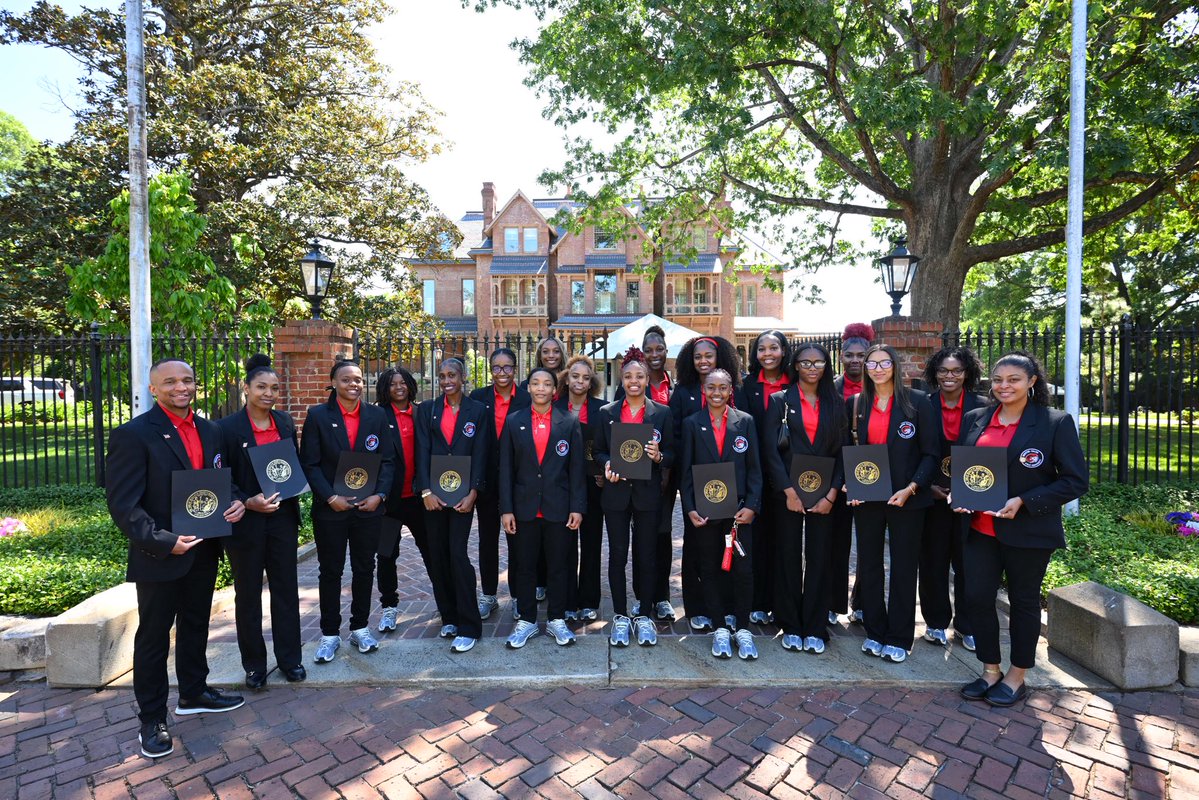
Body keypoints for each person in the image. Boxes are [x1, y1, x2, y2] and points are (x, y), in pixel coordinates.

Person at [105, 358, 246, 759]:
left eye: (187, 380)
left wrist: (234, 503)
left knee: (196, 624)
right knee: (153, 638)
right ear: (153, 389)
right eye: (170, 382)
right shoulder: (134, 435)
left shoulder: (211, 430)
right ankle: (152, 719)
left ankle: (194, 691)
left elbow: (224, 480)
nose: (180, 387)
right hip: (162, 554)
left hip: (204, 549)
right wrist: (166, 541)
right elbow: (124, 505)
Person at [953, 352, 1087, 707]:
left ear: (1032, 382)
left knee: (1023, 602)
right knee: (977, 598)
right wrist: (960, 491)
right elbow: (968, 469)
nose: (1003, 386)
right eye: (998, 379)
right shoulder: (976, 418)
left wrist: (1025, 501)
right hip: (980, 528)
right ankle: (990, 670)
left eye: (1013, 379)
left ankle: (1017, 675)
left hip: (1027, 531)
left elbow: (1075, 481)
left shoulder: (1053, 423)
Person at [217, 355, 305, 690]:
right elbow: (219, 473)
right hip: (246, 523)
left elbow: (289, 467)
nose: (268, 393)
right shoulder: (226, 428)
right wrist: (245, 500)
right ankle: (254, 665)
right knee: (248, 594)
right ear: (246, 388)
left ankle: (290, 660)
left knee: (286, 590)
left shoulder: (283, 422)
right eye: (261, 387)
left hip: (282, 518)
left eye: (274, 388)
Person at [847, 344, 938, 664]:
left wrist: (912, 488)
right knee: (869, 565)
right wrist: (850, 482)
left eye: (884, 363)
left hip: (907, 500)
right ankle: (875, 630)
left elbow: (931, 453)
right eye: (872, 363)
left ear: (895, 366)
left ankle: (900, 636)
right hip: (868, 499)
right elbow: (849, 449)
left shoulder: (918, 402)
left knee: (903, 567)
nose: (878, 368)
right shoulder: (857, 403)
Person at [300, 359, 396, 664]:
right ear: (333, 382)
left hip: (368, 509)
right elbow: (310, 464)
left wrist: (379, 495)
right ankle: (330, 635)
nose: (353, 385)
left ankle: (359, 628)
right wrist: (330, 497)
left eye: (357, 380)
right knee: (330, 571)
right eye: (346, 380)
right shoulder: (317, 416)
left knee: (365, 568)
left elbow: (388, 460)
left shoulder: (376, 415)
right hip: (332, 510)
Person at [763, 343, 847, 655]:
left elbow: (842, 451)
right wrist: (787, 490)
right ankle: (790, 623)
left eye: (819, 362)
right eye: (806, 362)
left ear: (826, 366)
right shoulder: (779, 400)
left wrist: (832, 492)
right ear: (795, 365)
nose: (812, 367)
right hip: (788, 494)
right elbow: (770, 451)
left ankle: (814, 625)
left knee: (819, 556)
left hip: (824, 494)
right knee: (787, 555)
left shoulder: (836, 403)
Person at [498, 367, 586, 648]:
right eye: (535, 383)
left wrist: (577, 507)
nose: (540, 388)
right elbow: (506, 471)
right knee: (524, 565)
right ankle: (527, 619)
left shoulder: (569, 421)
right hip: (523, 509)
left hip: (558, 507)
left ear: (554, 390)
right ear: (528, 388)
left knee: (559, 565)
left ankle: (557, 618)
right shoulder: (513, 422)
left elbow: (576, 469)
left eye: (546, 384)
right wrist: (506, 509)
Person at [679, 369, 762, 660]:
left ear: (730, 391)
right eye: (711, 387)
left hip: (738, 513)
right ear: (704, 389)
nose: (717, 392)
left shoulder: (746, 422)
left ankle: (742, 627)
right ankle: (719, 628)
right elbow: (686, 472)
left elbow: (754, 469)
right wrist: (689, 508)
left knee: (743, 569)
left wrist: (752, 505)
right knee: (710, 568)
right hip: (705, 514)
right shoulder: (691, 424)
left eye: (722, 387)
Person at [595, 348, 674, 647]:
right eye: (628, 376)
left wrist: (659, 456)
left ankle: (643, 614)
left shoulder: (662, 413)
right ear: (621, 379)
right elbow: (600, 450)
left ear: (647, 380)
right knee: (617, 555)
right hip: (615, 494)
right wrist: (607, 464)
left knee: (646, 555)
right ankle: (619, 614)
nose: (633, 381)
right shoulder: (607, 413)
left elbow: (673, 454)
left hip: (647, 495)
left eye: (639, 376)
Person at [415, 358, 489, 653]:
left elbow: (482, 452)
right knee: (438, 554)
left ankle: (469, 625)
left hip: (461, 496)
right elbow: (421, 450)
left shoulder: (478, 411)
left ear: (464, 377)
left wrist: (474, 492)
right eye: (442, 375)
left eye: (452, 375)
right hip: (433, 495)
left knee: (457, 554)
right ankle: (449, 616)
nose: (447, 380)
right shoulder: (428, 410)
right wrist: (424, 491)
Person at [670, 335, 741, 631]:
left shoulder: (735, 390)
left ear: (719, 356)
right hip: (697, 484)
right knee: (696, 547)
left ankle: (725, 604)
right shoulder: (683, 392)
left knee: (728, 545)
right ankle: (696, 606)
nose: (703, 361)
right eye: (698, 356)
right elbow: (675, 435)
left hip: (731, 485)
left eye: (708, 355)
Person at [918, 346, 986, 651]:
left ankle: (967, 625)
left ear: (967, 373)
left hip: (970, 495)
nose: (950, 376)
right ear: (935, 373)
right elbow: (916, 451)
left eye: (956, 370)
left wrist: (970, 489)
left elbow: (989, 453)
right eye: (944, 370)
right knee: (932, 560)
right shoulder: (922, 404)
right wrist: (927, 485)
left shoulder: (984, 407)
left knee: (968, 562)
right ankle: (935, 623)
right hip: (931, 495)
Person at [615, 325, 677, 622]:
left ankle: (660, 596)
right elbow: (616, 435)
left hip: (664, 471)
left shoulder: (673, 385)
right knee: (640, 538)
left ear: (666, 351)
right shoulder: (630, 385)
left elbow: (674, 433)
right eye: (649, 349)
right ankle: (642, 598)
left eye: (659, 349)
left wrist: (664, 464)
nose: (655, 354)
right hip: (632, 476)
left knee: (660, 535)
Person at [469, 348, 531, 620]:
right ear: (490, 369)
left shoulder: (528, 399)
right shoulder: (478, 398)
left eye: (507, 367)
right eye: (497, 367)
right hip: (487, 481)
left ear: (515, 369)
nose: (502, 372)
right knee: (487, 539)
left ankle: (518, 595)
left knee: (518, 541)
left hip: (518, 482)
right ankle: (489, 595)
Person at [738, 329, 792, 625]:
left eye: (774, 348)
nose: (768, 354)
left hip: (790, 472)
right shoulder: (746, 386)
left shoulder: (796, 383)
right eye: (762, 349)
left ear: (784, 350)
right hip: (757, 468)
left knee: (785, 540)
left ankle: (780, 601)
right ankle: (758, 601)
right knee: (757, 538)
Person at [374, 366, 432, 635]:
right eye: (392, 383)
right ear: (385, 388)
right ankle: (389, 607)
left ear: (410, 384)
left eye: (403, 382)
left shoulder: (422, 413)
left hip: (421, 499)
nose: (398, 387)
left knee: (432, 552)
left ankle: (445, 600)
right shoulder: (376, 416)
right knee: (386, 555)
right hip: (389, 501)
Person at [555, 355, 607, 621]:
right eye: (575, 376)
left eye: (586, 378)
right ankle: (566, 601)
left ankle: (589, 600)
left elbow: (606, 448)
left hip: (593, 485)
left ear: (591, 383)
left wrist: (603, 473)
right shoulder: (554, 407)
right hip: (561, 486)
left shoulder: (602, 409)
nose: (580, 381)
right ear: (566, 378)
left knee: (591, 542)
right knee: (565, 544)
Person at [830, 322, 873, 625]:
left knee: (869, 545)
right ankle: (833, 602)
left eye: (862, 355)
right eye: (850, 355)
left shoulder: (882, 387)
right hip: (836, 472)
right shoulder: (830, 388)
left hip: (871, 472)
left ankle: (863, 602)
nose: (856, 360)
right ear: (842, 357)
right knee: (837, 542)